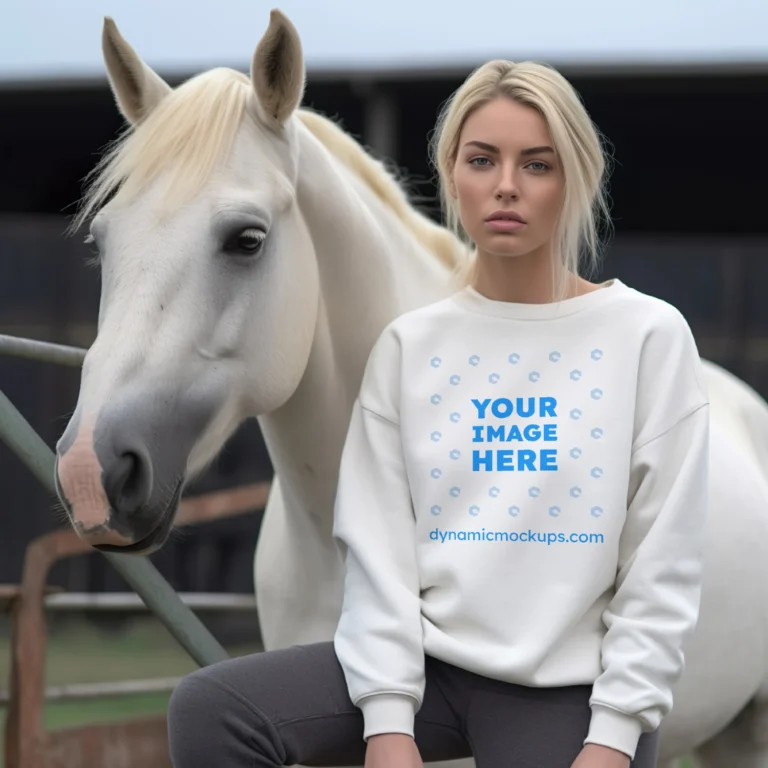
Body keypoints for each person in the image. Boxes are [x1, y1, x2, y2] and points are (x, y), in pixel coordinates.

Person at [167, 59, 709, 768]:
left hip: (567, 692)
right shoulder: (411, 347)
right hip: (433, 674)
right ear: (452, 171)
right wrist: (389, 725)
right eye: (482, 159)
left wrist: (613, 737)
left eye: (536, 164)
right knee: (210, 712)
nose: (506, 185)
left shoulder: (647, 336)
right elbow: (379, 552)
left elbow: (661, 566)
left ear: (575, 176)